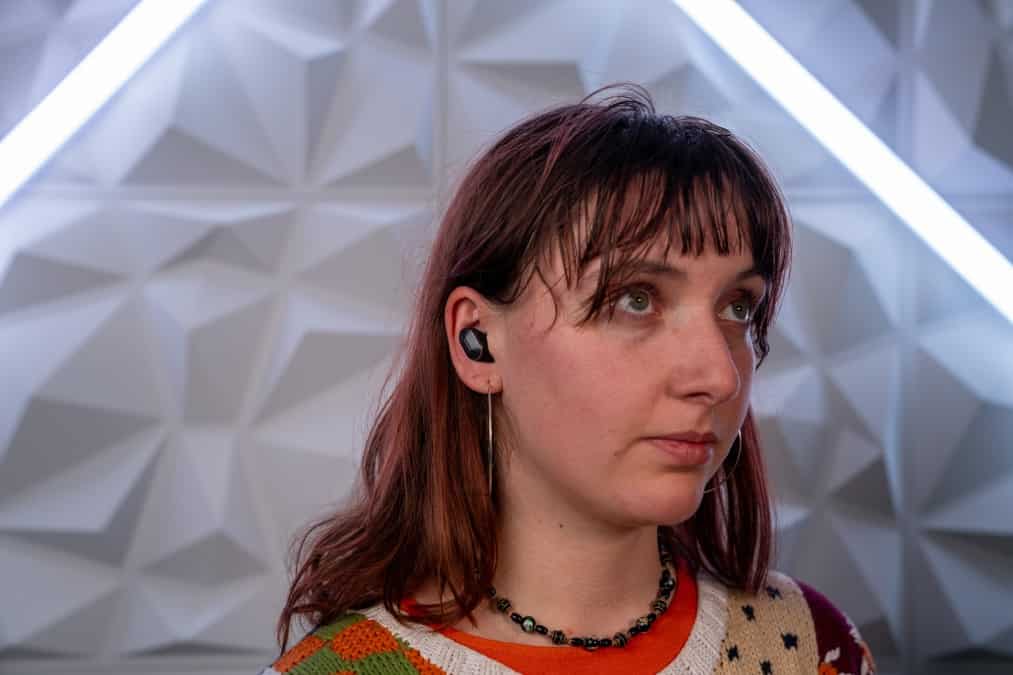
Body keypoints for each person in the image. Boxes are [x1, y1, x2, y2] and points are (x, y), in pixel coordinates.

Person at [260, 84, 877, 675]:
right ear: (478, 342)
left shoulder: (809, 647)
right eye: (635, 300)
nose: (718, 375)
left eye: (738, 306)